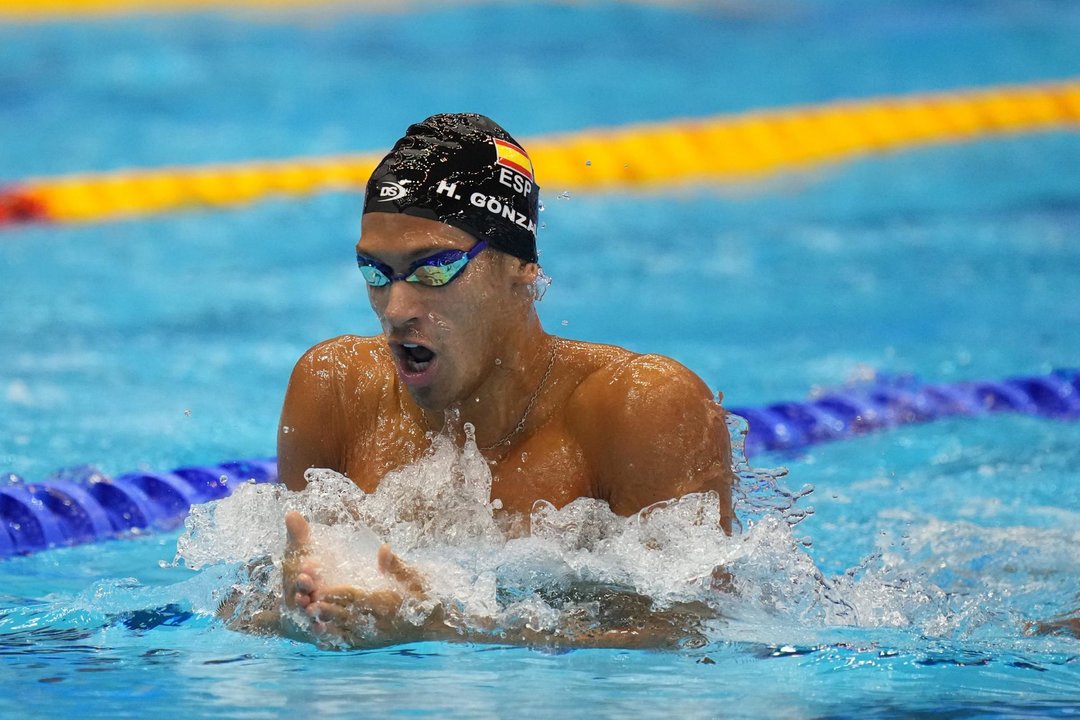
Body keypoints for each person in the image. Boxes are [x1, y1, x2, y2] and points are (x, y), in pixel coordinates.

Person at [274, 113, 735, 648]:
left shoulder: (638, 406)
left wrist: (437, 630)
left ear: (520, 264)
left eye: (434, 268)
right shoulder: (335, 389)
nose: (396, 309)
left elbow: (694, 633)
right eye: (376, 272)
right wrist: (295, 612)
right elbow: (243, 610)